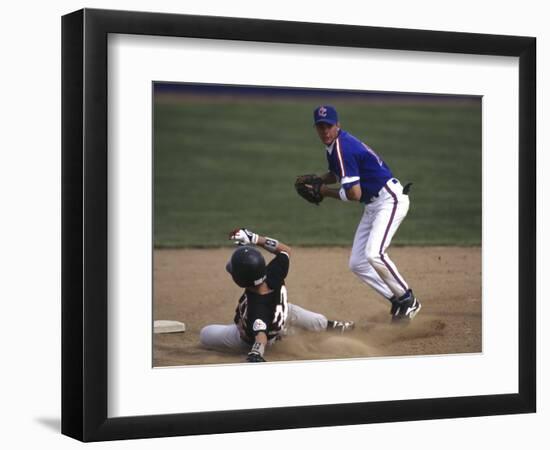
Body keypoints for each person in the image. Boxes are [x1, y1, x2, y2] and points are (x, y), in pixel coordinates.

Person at [305, 105, 421, 321]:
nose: (325, 131)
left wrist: (324, 192)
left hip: (389, 200)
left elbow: (355, 194)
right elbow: (336, 172)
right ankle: (395, 299)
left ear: (337, 125)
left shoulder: (343, 147)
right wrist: (321, 179)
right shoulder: (334, 145)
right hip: (373, 205)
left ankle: (408, 299)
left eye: (328, 126)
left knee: (374, 254)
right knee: (357, 263)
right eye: (320, 127)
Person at [199, 228, 355, 362]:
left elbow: (260, 337)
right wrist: (254, 238)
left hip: (256, 335)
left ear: (241, 280)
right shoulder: (274, 273)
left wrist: (256, 353)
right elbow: (285, 250)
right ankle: (333, 326)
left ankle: (282, 335)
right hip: (283, 314)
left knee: (205, 334)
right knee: (316, 320)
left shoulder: (257, 308)